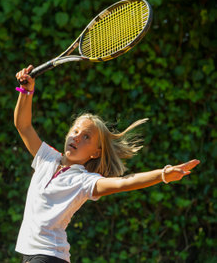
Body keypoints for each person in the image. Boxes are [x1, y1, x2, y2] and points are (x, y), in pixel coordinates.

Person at [13, 65, 200, 263]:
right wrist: (26, 91)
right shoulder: (47, 158)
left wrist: (162, 174)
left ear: (96, 152)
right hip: (33, 255)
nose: (77, 138)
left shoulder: (84, 181)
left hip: (48, 257)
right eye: (75, 131)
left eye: (86, 137)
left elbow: (123, 183)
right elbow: (23, 126)